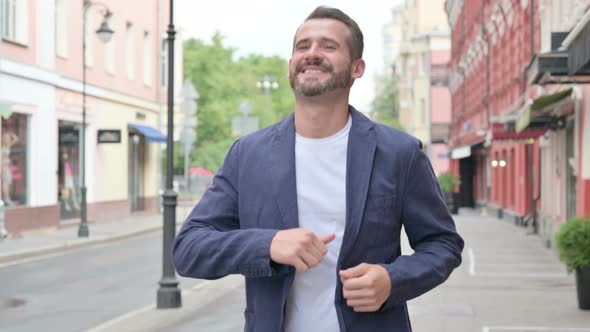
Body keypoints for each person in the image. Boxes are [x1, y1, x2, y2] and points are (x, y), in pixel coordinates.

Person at [173, 6, 464, 332]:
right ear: (290, 67)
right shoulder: (248, 154)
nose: (312, 54)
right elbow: (188, 249)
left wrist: (393, 280)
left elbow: (443, 244)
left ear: (357, 68)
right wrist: (268, 244)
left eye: (328, 46)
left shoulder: (399, 153)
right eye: (302, 46)